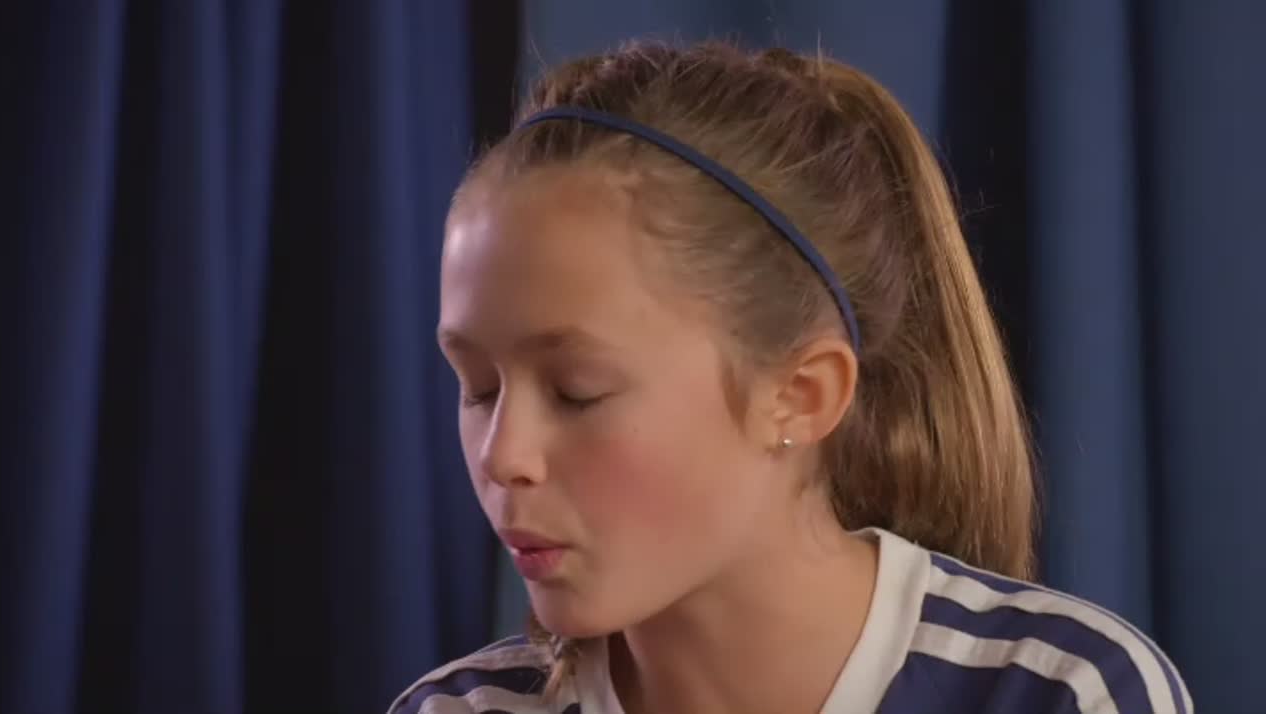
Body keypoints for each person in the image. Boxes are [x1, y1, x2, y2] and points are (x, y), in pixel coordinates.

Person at [389, 40, 1192, 714]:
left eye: (577, 391)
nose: (501, 456)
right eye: (479, 387)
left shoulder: (1066, 694)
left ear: (802, 396)